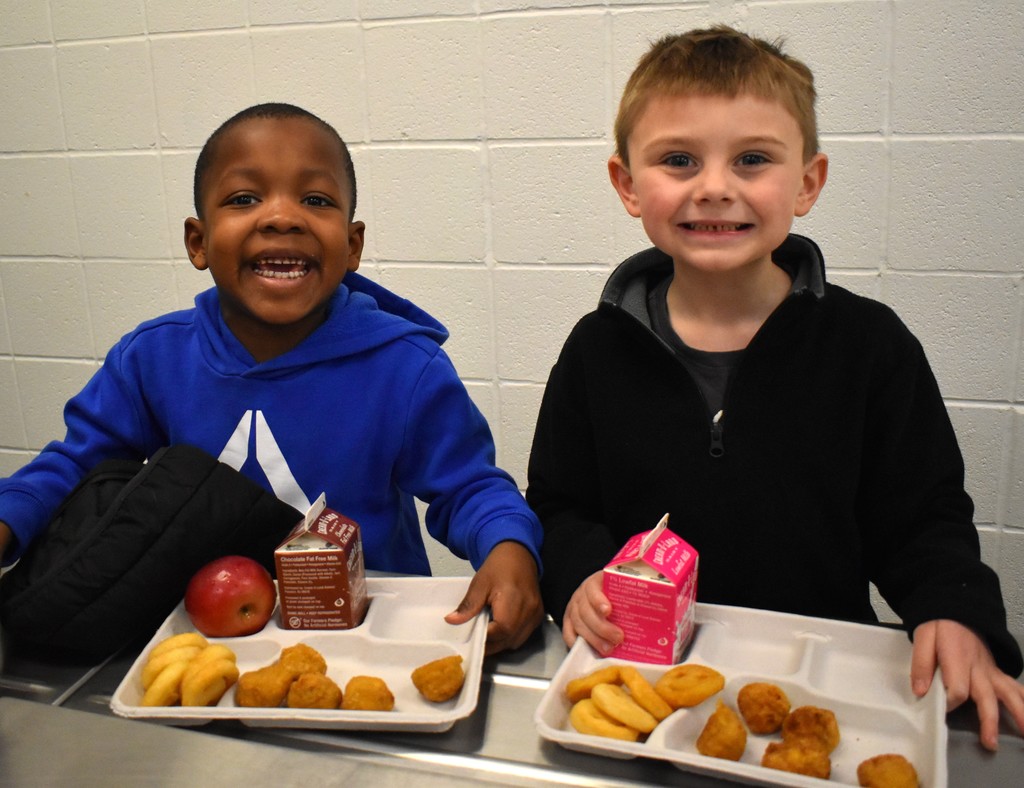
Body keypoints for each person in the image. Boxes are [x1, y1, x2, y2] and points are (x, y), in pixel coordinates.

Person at [526, 25, 1024, 749]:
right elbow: (561, 504)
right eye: (678, 160)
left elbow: (923, 517)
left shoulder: (870, 347)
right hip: (645, 681)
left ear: (807, 183)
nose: (716, 186)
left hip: (822, 688)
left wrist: (955, 609)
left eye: (753, 159)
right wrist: (575, 575)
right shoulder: (595, 349)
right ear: (629, 185)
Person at [0, 103, 543, 655]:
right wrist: (10, 519)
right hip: (199, 633)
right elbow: (76, 466)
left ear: (352, 246)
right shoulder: (152, 357)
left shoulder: (406, 366)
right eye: (243, 199)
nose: (282, 217)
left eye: (315, 200)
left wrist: (508, 547)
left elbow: (470, 487)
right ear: (198, 241)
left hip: (366, 638)